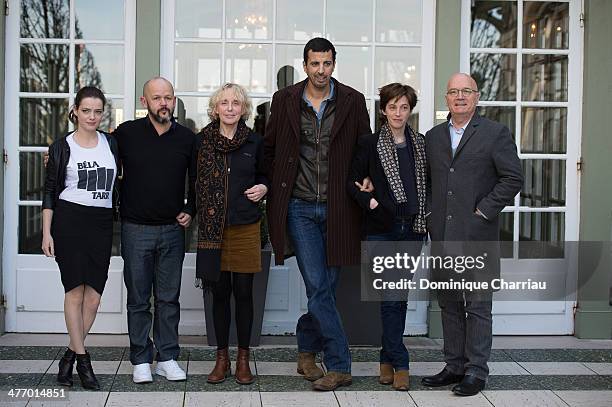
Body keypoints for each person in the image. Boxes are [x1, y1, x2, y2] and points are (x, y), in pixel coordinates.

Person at [263, 37, 371, 391]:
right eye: (314, 64)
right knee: (317, 285)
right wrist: (269, 186)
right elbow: (271, 148)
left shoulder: (353, 101)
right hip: (299, 206)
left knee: (326, 288)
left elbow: (363, 148)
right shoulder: (285, 100)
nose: (321, 70)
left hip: (340, 208)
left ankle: (306, 349)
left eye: (326, 63)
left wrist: (364, 179)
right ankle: (340, 364)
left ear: (333, 64)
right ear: (305, 64)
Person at [421, 73, 523, 396]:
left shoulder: (495, 134)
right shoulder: (433, 137)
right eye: (454, 92)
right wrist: (427, 214)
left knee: (478, 307)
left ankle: (476, 371)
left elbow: (513, 178)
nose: (460, 96)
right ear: (446, 98)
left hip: (478, 235)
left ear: (477, 97)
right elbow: (426, 182)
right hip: (443, 235)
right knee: (449, 304)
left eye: (467, 91)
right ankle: (454, 366)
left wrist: (483, 211)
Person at [114, 77, 196, 384]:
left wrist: (191, 210)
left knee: (168, 298)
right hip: (135, 230)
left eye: (168, 97)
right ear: (143, 101)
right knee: (137, 298)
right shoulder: (126, 134)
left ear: (174, 101)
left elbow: (199, 180)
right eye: (157, 97)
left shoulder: (187, 138)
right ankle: (140, 359)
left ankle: (167, 357)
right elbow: (92, 151)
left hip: (173, 230)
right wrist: (58, 154)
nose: (163, 103)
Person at [347, 83, 427, 391]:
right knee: (392, 296)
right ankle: (401, 361)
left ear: (410, 110)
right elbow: (351, 183)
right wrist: (372, 202)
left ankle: (386, 358)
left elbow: (428, 185)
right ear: (383, 110)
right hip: (381, 228)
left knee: (397, 297)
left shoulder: (420, 143)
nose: (398, 112)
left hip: (412, 228)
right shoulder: (369, 144)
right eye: (392, 106)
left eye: (404, 107)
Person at [42, 86, 119, 390]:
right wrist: (47, 232)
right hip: (69, 220)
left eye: (97, 111)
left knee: (95, 297)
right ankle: (84, 362)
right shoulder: (62, 146)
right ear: (75, 110)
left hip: (100, 222)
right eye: (86, 110)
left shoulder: (111, 143)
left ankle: (68, 359)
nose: (91, 116)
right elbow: (49, 191)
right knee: (75, 292)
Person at [194, 83, 268, 385]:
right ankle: (221, 358)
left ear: (244, 109)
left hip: (246, 226)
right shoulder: (201, 142)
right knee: (220, 294)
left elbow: (266, 175)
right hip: (213, 231)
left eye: (236, 103)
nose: (229, 107)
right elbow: (189, 179)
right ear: (215, 108)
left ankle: (243, 358)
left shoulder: (254, 142)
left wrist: (264, 187)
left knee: (244, 294)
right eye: (224, 102)